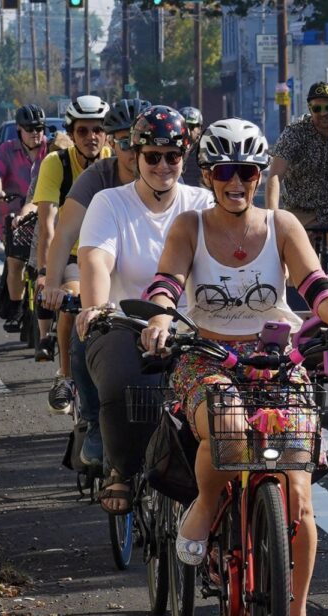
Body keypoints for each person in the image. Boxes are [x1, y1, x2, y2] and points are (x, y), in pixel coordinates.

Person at [139, 118, 328, 616]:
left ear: (259, 173)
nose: (236, 181)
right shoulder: (189, 227)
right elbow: (166, 285)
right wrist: (157, 320)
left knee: (298, 497)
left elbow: (317, 285)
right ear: (208, 175)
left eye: (247, 171)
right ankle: (203, 505)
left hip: (277, 358)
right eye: (225, 171)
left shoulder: (283, 224)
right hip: (208, 357)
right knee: (224, 415)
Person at [76, 106, 214, 515]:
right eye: (152, 156)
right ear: (134, 156)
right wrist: (96, 308)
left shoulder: (202, 202)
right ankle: (119, 468)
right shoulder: (109, 203)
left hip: (190, 326)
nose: (162, 165)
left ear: (184, 156)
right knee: (120, 385)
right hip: (124, 322)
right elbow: (95, 260)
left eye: (172, 155)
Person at [37, 98, 147, 468]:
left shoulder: (176, 181)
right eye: (125, 143)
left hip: (156, 285)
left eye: (142, 143)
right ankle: (92, 416)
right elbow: (63, 232)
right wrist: (50, 279)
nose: (135, 153)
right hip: (97, 272)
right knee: (90, 322)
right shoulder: (98, 179)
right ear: (113, 145)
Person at [34, 95, 112, 415]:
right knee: (71, 300)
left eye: (97, 130)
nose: (91, 137)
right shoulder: (57, 163)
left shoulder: (118, 162)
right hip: (73, 255)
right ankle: (65, 375)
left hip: (112, 256)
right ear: (72, 132)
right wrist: (45, 274)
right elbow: (48, 225)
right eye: (83, 131)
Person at [265, 81, 328, 286]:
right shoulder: (294, 133)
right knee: (299, 260)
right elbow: (275, 177)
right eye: (317, 108)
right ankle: (302, 306)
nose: (323, 113)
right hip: (299, 206)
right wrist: (272, 218)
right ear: (310, 109)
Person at [0, 104, 48, 332]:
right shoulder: (6, 150)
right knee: (16, 264)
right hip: (12, 219)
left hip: (45, 217)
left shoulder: (52, 150)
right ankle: (15, 310)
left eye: (39, 128)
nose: (36, 133)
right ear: (19, 130)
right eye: (30, 129)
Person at [179, 106, 205, 188]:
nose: (188, 130)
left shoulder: (205, 150)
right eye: (184, 126)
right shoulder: (171, 147)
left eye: (192, 126)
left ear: (200, 128)